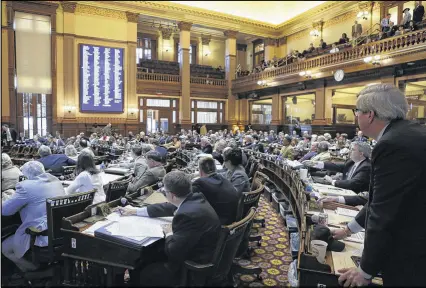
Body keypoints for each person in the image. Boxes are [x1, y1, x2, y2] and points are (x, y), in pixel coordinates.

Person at [335, 84, 426, 286]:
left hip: (413, 253)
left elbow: (385, 210)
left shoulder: (392, 144)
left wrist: (365, 271)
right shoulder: (406, 134)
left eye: (356, 111)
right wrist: (348, 230)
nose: (356, 116)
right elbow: (381, 198)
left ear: (369, 115)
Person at [118, 171, 221, 287]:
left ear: (172, 195)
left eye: (164, 192)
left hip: (191, 267)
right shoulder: (195, 198)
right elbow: (168, 207)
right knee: (147, 256)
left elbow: (173, 252)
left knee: (143, 270)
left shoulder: (186, 215)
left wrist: (169, 233)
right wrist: (135, 211)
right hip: (203, 251)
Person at [2, 161, 65, 272]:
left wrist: (8, 197)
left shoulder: (25, 187)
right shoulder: (56, 181)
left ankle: (34, 271)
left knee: (4, 247)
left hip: (40, 237)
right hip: (60, 235)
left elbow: (5, 211)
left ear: (25, 176)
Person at [304, 142, 371, 193]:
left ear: (361, 153)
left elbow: (352, 183)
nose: (349, 151)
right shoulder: (352, 162)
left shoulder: (366, 166)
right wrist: (315, 163)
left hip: (355, 196)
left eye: (353, 150)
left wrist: (333, 181)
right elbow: (335, 166)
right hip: (344, 191)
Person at [192, 157, 242, 225]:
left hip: (219, 226)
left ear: (200, 172)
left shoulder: (200, 183)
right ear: (215, 169)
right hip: (232, 220)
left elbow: (188, 201)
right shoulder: (223, 178)